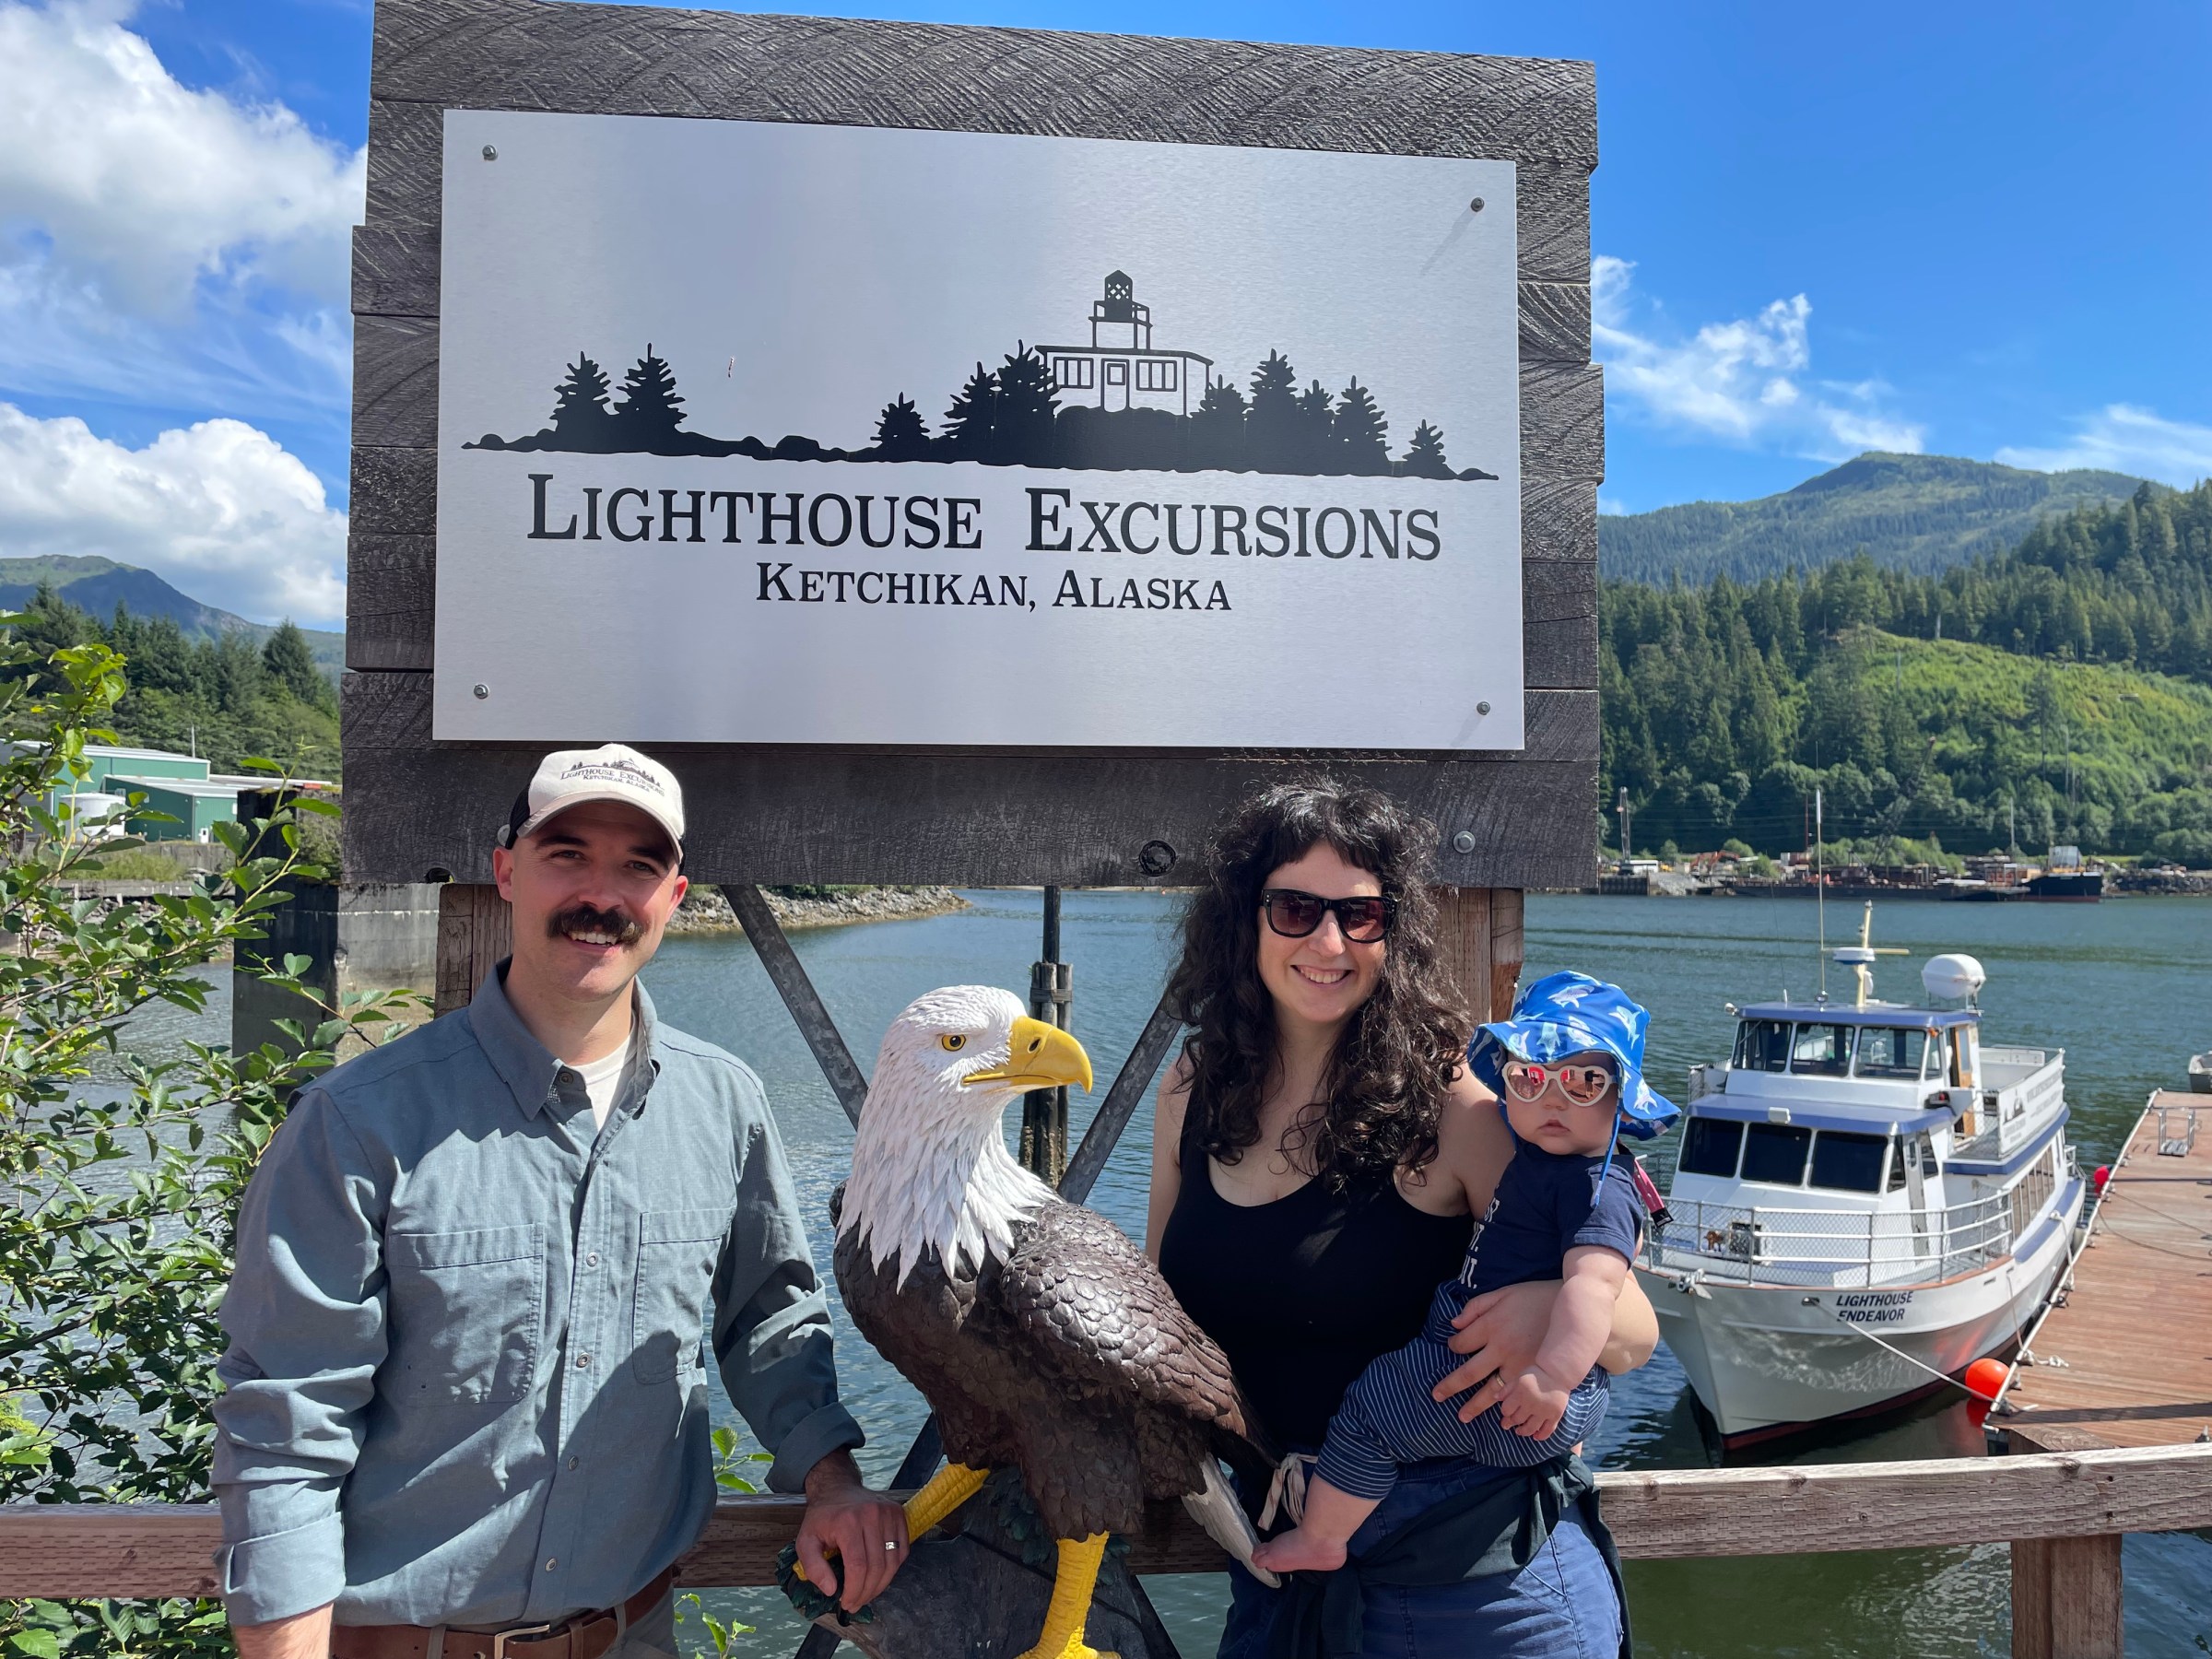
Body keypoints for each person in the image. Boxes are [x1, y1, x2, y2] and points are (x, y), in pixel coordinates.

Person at [214, 745, 908, 1659]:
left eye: (638, 866)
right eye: (567, 854)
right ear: (507, 871)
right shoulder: (358, 1121)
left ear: (675, 895)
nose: (601, 894)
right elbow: (287, 1429)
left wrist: (833, 1480)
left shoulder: (726, 1102)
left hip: (634, 1637)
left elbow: (770, 1322)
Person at [1147, 782, 1659, 1659]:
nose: (1329, 941)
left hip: (1481, 1595)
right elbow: (1158, 1312)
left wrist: (1543, 1305)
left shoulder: (1456, 1106)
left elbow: (1634, 1332)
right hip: (1283, 1584)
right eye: (1296, 909)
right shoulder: (1196, 1087)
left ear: (1395, 931)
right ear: (1245, 920)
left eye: (1362, 916)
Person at [1250, 971, 1676, 1580]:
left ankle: (1321, 1536)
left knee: (1373, 1409)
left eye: (1585, 1082)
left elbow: (1594, 1290)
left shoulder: (1595, 1187)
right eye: (1530, 1077)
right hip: (1539, 1398)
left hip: (1503, 1381)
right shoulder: (1544, 1162)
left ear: (1622, 1097)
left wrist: (1553, 1379)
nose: (1553, 1099)